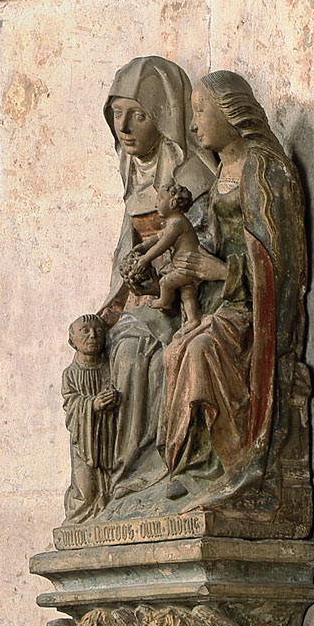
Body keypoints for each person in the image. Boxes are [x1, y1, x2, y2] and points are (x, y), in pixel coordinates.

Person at [160, 70, 310, 499]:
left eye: (200, 111)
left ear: (231, 113)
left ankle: (240, 465)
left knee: (202, 351)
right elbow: (213, 235)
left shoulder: (266, 170)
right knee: (175, 352)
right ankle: (193, 467)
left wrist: (219, 272)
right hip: (225, 305)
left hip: (258, 311)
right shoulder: (224, 168)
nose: (193, 125)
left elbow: (280, 265)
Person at [98, 57, 218, 500]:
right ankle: (124, 476)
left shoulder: (193, 177)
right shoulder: (133, 179)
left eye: (138, 115)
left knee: (138, 352)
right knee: (111, 347)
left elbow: (207, 245)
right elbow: (125, 254)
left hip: (190, 292)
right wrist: (116, 301)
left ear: (164, 119)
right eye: (117, 114)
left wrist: (154, 277)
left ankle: (153, 467)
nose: (124, 126)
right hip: (143, 296)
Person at [63, 315, 121, 523]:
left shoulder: (111, 366)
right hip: (84, 439)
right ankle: (82, 515)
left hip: (109, 434)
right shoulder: (71, 374)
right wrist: (92, 404)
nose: (93, 335)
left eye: (98, 331)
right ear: (73, 340)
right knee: (86, 489)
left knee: (112, 480)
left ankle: (108, 509)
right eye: (85, 331)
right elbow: (70, 404)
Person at [124, 185, 205, 325]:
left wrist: (145, 258)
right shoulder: (172, 223)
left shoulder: (177, 223)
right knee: (187, 292)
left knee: (165, 282)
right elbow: (156, 238)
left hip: (188, 265)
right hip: (184, 266)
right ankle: (193, 319)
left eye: (160, 200)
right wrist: (141, 247)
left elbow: (163, 245)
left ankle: (164, 302)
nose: (156, 204)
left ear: (173, 203)